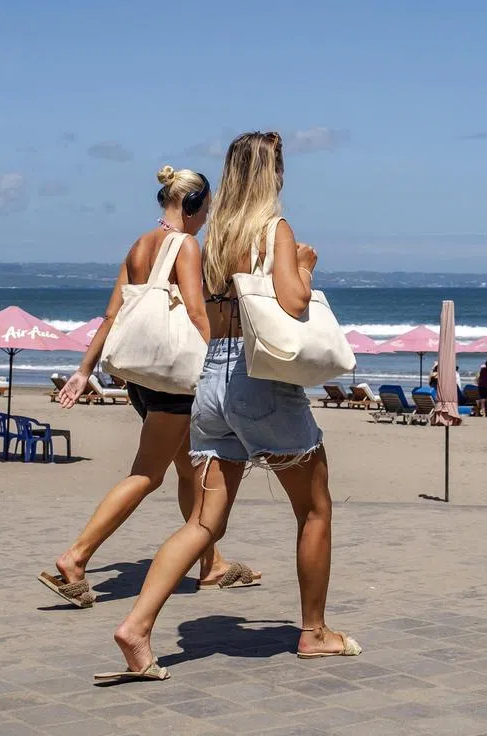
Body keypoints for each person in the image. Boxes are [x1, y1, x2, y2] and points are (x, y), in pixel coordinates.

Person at [105, 133, 359, 681]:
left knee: (204, 520)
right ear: (274, 175)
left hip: (211, 380)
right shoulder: (273, 229)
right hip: (259, 382)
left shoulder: (212, 234)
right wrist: (307, 267)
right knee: (315, 508)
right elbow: (291, 304)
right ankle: (315, 633)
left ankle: (138, 627)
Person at [40, 165, 256, 609]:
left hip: (141, 379)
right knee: (146, 474)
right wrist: (223, 365)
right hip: (174, 382)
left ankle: (211, 563)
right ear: (192, 205)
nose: (205, 219)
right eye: (206, 210)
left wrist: (84, 370)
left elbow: (111, 315)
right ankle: (75, 559)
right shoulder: (186, 246)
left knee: (187, 470)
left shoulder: (140, 245)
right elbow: (197, 314)